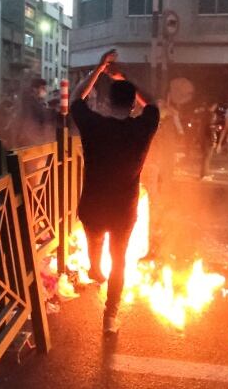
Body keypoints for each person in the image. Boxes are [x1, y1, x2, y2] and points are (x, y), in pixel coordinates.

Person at [71, 49, 159, 335]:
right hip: (124, 209)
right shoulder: (142, 128)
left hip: (93, 206)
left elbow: (76, 99)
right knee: (119, 260)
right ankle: (111, 317)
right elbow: (154, 103)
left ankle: (95, 267)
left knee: (95, 242)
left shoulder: (94, 125)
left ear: (107, 102)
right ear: (133, 104)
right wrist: (126, 76)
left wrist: (99, 69)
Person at [199, 102, 220, 181]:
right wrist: (213, 139)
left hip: (202, 138)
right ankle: (204, 175)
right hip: (208, 139)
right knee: (207, 157)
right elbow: (210, 127)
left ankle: (204, 173)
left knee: (205, 157)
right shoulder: (212, 115)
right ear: (213, 106)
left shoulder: (203, 114)